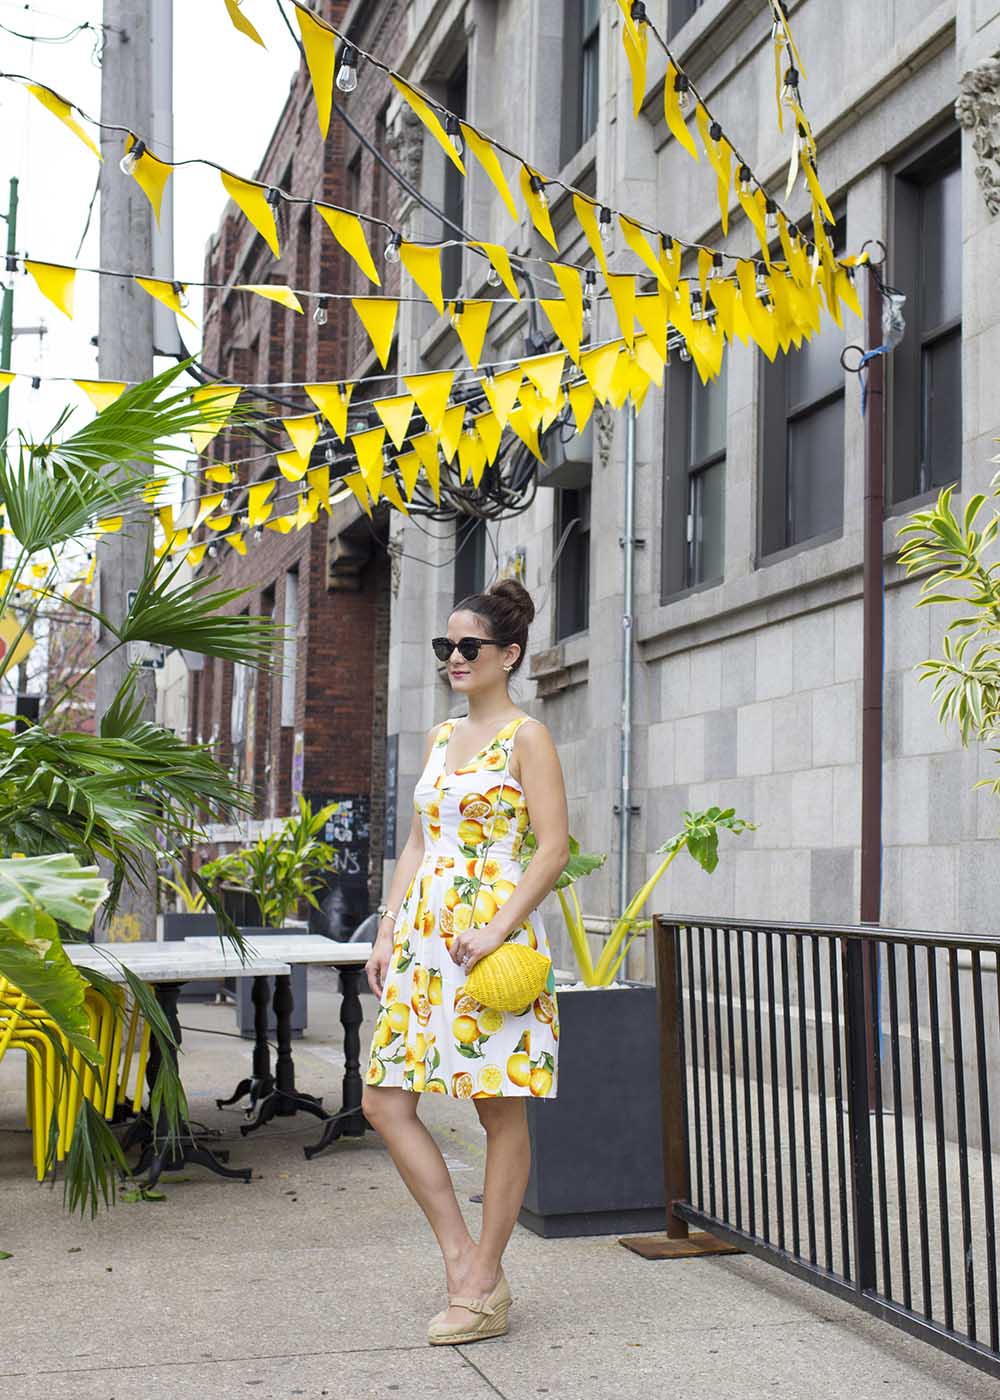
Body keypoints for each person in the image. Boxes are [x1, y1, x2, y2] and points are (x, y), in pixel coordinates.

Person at [362, 578, 570, 1347]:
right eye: (446, 646)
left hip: (491, 942)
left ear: (508, 654)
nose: (454, 657)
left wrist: (497, 931)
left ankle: (483, 1279)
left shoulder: (527, 737)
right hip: (422, 943)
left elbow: (553, 848)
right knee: (384, 1101)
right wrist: (386, 929)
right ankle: (465, 1261)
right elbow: (417, 841)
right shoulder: (439, 738)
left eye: (469, 647)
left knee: (496, 1108)